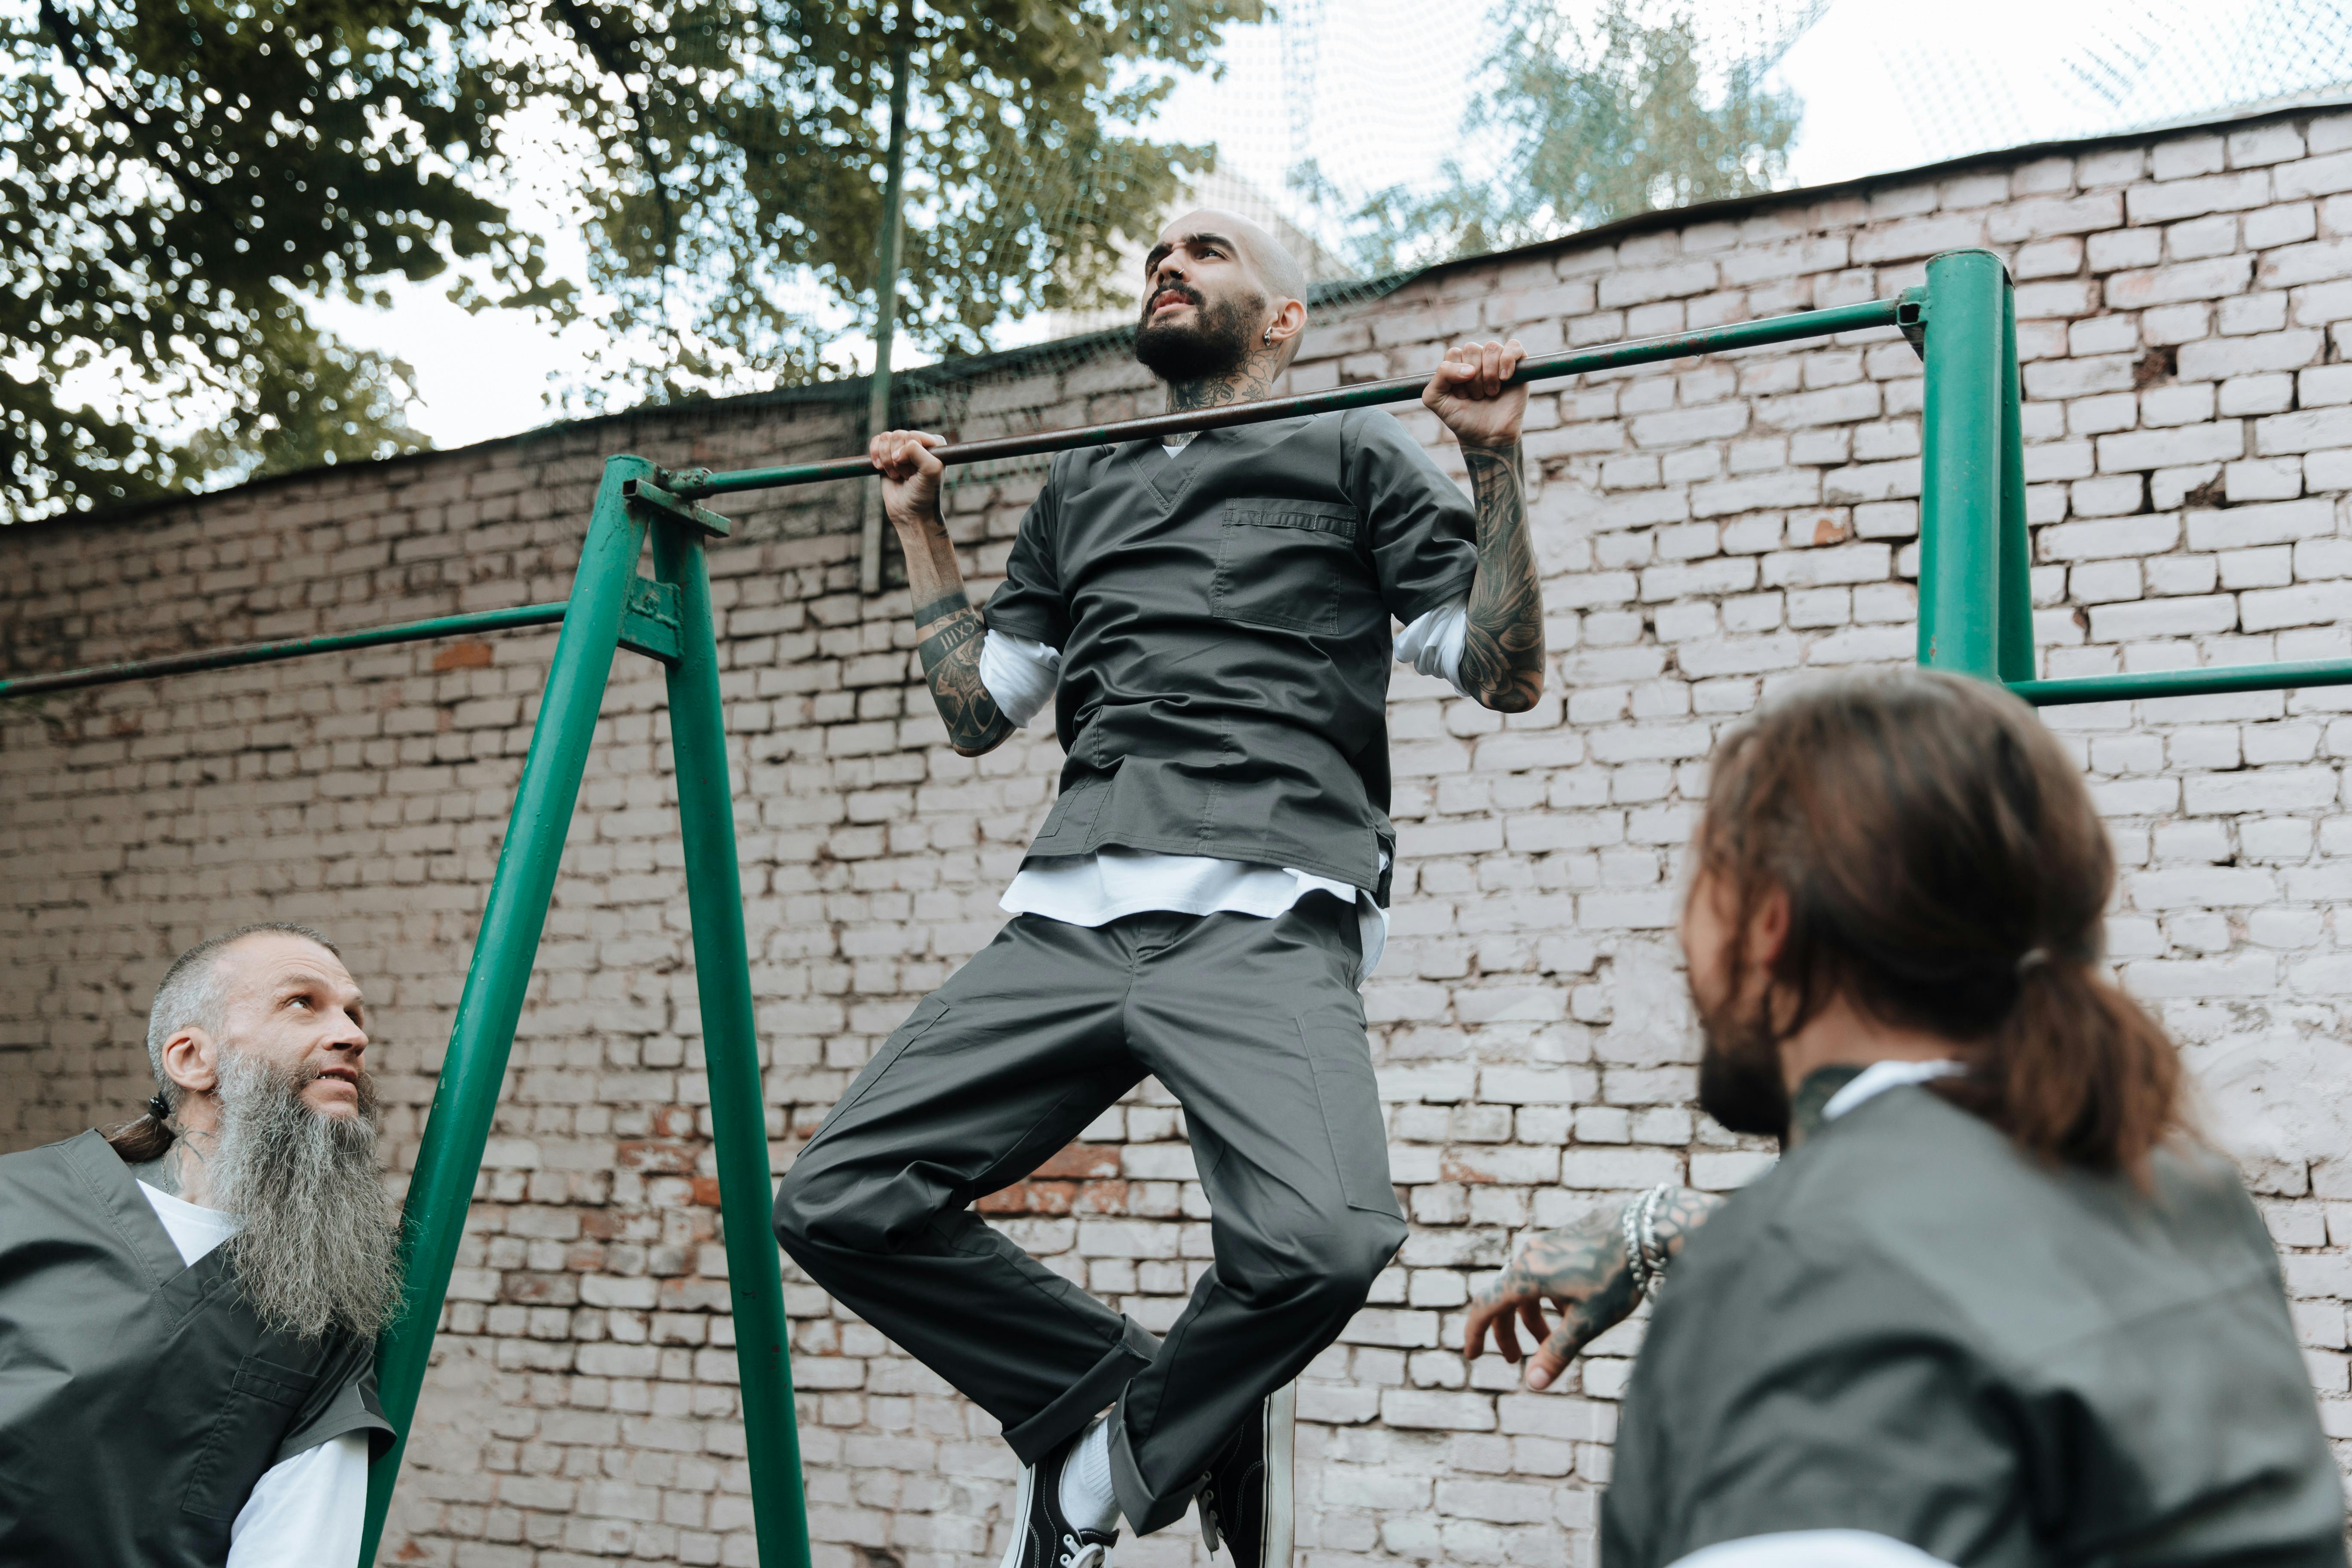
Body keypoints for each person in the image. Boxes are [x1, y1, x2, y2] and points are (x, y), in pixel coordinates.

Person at [773, 207, 1547, 1568]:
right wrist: (924, 529)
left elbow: (1502, 670)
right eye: (1155, 258)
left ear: (1286, 317)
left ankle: (1111, 1471)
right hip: (1069, 916)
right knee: (837, 1197)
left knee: (1327, 1238)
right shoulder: (1081, 485)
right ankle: (1159, 1406)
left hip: (1265, 910)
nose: (1170, 266)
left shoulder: (1352, 448)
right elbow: (978, 710)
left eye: (1209, 251)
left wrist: (1494, 464)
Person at [1463, 671, 2348, 1568]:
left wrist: (1744, 1254)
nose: (1679, 939)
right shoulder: (2185, 1191)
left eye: (1698, 885)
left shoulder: (1798, 1270)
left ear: (1769, 924)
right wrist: (1660, 1227)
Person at [0, 924, 401, 1566]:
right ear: (192, 1059)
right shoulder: (15, 1203)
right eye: (303, 1002)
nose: (355, 1035)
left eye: (354, 1014)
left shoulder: (329, 1310)